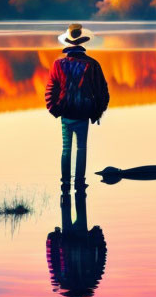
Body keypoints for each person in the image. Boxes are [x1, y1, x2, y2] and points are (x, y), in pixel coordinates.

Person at [44, 23, 110, 188]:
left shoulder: (58, 64)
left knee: (66, 149)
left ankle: (65, 183)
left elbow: (50, 89)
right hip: (83, 113)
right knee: (81, 148)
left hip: (65, 113)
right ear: (83, 43)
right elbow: (102, 92)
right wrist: (96, 112)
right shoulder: (93, 64)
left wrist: (54, 109)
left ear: (67, 43)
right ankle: (80, 182)